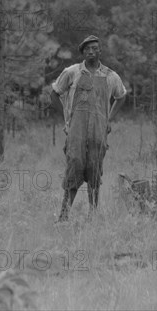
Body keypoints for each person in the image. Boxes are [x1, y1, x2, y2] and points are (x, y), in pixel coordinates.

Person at [51, 35, 127, 221]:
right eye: (87, 49)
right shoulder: (72, 72)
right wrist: (66, 119)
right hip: (76, 130)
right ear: (83, 52)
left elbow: (121, 96)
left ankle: (93, 215)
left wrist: (109, 119)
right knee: (74, 165)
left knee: (94, 169)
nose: (91, 51)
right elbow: (54, 93)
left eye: (94, 48)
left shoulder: (110, 75)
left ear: (100, 50)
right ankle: (64, 215)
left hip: (98, 132)